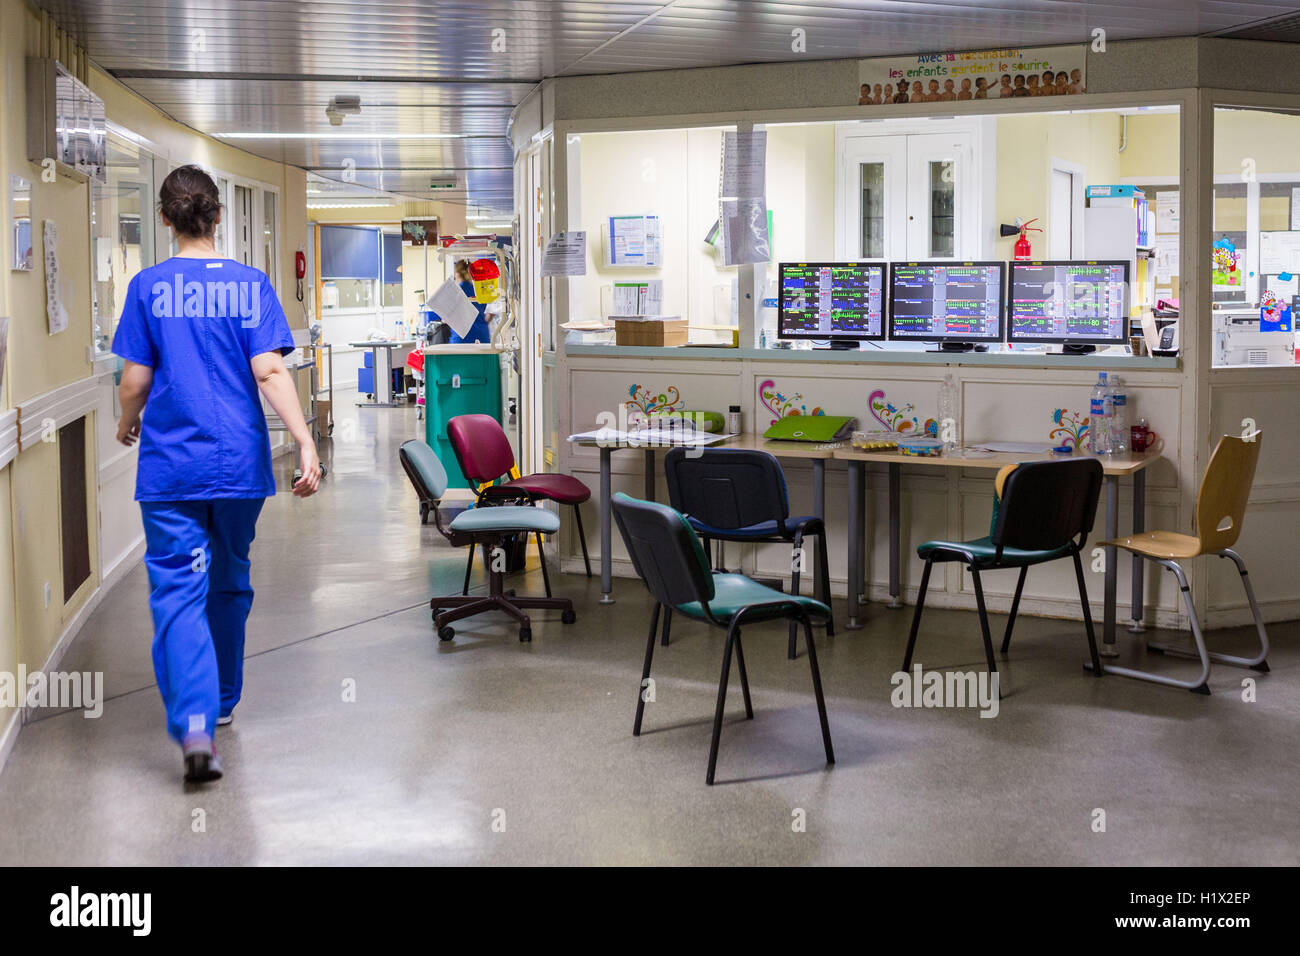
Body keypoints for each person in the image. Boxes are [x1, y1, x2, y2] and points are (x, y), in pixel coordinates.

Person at [113, 164, 321, 784]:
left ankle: (197, 725)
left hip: (173, 469)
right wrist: (305, 441)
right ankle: (225, 701)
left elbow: (135, 380)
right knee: (229, 579)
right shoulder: (251, 284)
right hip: (236, 466)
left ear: (164, 219)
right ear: (219, 216)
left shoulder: (148, 286)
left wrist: (128, 420)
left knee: (179, 590)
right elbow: (270, 372)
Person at [452, 259, 492, 343]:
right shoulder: (479, 290)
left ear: (457, 274)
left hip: (462, 337)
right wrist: (482, 324)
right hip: (481, 335)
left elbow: (447, 314)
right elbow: (492, 310)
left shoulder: (456, 291)